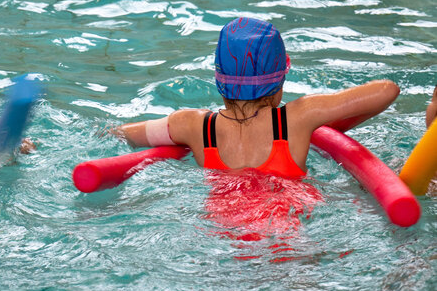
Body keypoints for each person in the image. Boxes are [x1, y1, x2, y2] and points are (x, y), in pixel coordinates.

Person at [115, 17, 399, 177]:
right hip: (285, 227)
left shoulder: (193, 126)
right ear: (279, 82)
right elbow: (387, 91)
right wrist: (323, 122)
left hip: (221, 231)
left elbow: (125, 134)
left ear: (218, 79)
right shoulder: (299, 117)